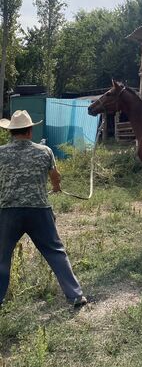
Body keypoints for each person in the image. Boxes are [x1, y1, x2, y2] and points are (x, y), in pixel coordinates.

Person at [0, 110, 87, 308]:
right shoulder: (44, 151)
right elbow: (55, 176)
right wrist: (56, 188)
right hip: (39, 210)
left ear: (11, 132)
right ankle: (75, 295)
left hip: (9, 211)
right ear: (30, 131)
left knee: (2, 255)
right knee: (56, 252)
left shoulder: (1, 153)